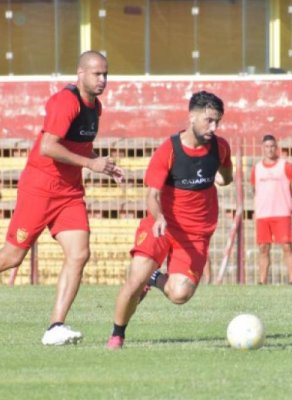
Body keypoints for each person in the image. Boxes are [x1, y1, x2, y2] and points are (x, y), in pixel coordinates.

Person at [0, 51, 124, 346]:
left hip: (69, 193)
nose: (103, 80)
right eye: (97, 74)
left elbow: (78, 146)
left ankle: (55, 327)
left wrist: (100, 163)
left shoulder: (96, 108)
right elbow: (48, 147)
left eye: (106, 74)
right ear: (80, 73)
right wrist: (91, 164)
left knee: (79, 254)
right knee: (12, 256)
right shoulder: (65, 101)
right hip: (40, 188)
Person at [106, 91, 233, 349]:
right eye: (209, 120)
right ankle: (117, 335)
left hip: (196, 233)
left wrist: (217, 178)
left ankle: (154, 278)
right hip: (161, 225)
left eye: (217, 122)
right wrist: (160, 216)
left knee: (180, 294)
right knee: (134, 280)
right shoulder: (169, 150)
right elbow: (152, 195)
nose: (214, 127)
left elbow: (226, 176)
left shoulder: (220, 148)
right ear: (192, 117)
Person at [250, 134, 292, 285]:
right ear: (262, 148)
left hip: (281, 212)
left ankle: (291, 280)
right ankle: (262, 281)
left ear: (276, 148)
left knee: (286, 246)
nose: (269, 149)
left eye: (272, 146)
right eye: (266, 146)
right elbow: (254, 189)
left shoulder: (285, 166)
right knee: (263, 248)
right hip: (263, 214)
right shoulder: (256, 168)